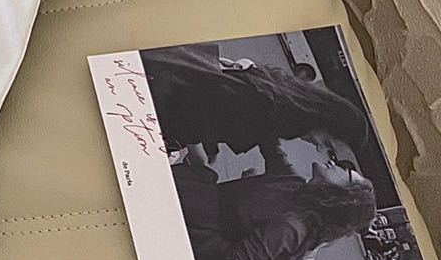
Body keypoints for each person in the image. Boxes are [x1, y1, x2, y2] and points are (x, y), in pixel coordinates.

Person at [172, 142, 377, 260]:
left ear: (343, 197)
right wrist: (309, 126)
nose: (336, 163)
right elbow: (270, 143)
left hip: (185, 229)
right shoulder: (296, 183)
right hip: (190, 200)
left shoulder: (291, 229)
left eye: (347, 172)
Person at [142, 43, 369, 160]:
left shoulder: (282, 94)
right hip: (153, 103)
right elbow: (196, 107)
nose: (319, 148)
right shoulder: (268, 113)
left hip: (162, 77)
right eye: (326, 142)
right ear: (323, 119)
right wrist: (191, 144)